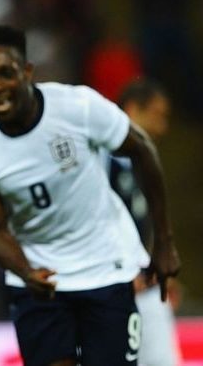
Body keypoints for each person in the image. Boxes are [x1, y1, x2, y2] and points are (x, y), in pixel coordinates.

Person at [0, 25, 180, 365]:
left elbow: (143, 149)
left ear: (27, 72)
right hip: (40, 279)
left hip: (106, 268)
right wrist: (26, 271)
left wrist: (163, 241)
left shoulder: (77, 106)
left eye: (6, 74)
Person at [109, 79, 181, 366]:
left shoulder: (141, 163)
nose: (162, 127)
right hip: (111, 287)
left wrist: (157, 264)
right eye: (156, 115)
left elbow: (141, 224)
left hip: (145, 285)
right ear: (131, 109)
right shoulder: (98, 160)